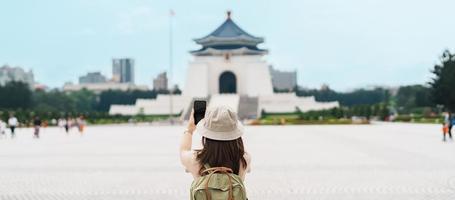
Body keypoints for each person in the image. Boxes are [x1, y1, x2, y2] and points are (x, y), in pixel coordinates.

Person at [180, 106, 251, 200]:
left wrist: (189, 129)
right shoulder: (244, 159)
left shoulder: (195, 159)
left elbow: (183, 151)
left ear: (206, 134)